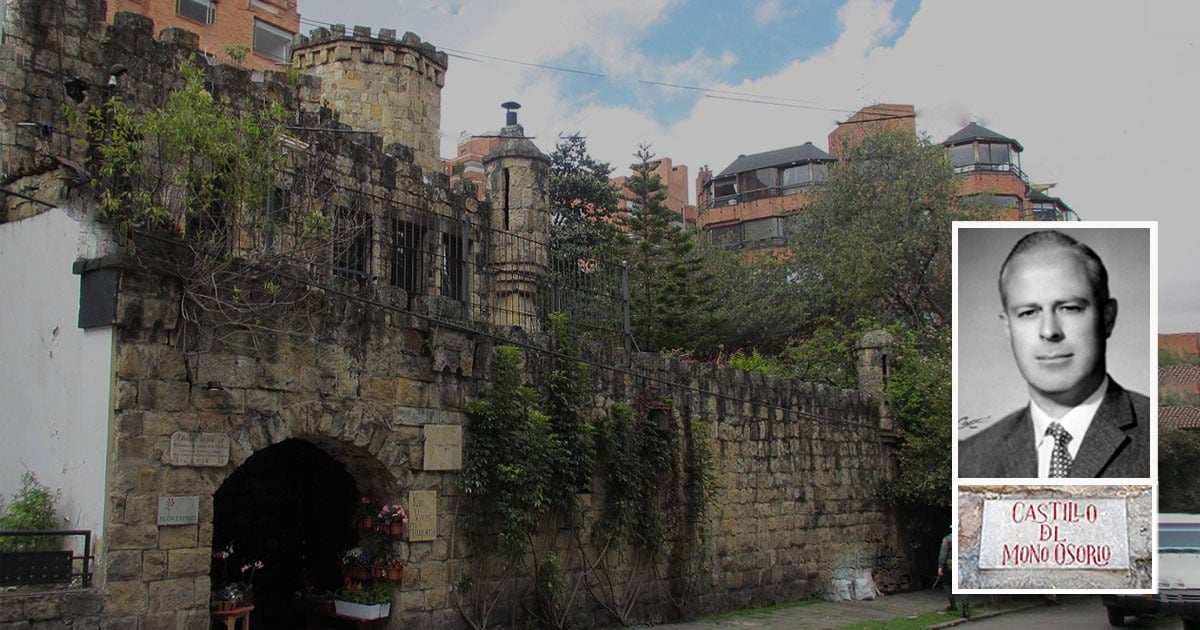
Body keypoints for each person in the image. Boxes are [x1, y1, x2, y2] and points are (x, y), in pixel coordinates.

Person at [958, 230, 1150, 478]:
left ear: (1107, 318)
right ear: (1008, 326)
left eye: (1069, 308)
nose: (1049, 331)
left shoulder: (1156, 435)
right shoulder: (970, 461)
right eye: (1028, 313)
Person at [937, 530, 956, 612]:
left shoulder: (948, 539)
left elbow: (943, 553)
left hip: (951, 566)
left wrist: (940, 566)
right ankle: (965, 608)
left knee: (946, 583)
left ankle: (953, 604)